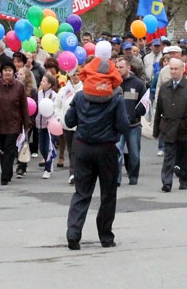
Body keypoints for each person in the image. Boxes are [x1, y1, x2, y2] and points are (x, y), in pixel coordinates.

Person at [64, 68, 129, 250]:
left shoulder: (80, 96)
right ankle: (106, 236)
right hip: (106, 148)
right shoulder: (116, 97)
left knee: (82, 192)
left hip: (83, 147)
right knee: (108, 194)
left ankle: (73, 233)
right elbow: (123, 125)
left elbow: (69, 121)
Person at [154, 58, 187, 192]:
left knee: (185, 156)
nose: (173, 72)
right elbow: (159, 109)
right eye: (171, 69)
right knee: (169, 156)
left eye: (176, 69)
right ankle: (167, 182)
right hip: (169, 127)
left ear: (183, 70)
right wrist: (156, 129)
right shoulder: (165, 87)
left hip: (185, 128)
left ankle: (184, 180)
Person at [0, 61, 31, 186]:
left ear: (13, 72)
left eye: (10, 70)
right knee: (2, 149)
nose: (7, 72)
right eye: (5, 70)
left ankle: (5, 176)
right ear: (2, 72)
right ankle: (7, 172)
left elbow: (24, 106)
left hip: (14, 123)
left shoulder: (19, 86)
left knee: (9, 149)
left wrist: (26, 123)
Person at [115, 56, 147, 186]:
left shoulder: (138, 84)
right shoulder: (114, 83)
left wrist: (134, 114)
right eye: (117, 67)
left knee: (134, 154)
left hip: (133, 125)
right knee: (117, 153)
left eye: (121, 67)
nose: (118, 70)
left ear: (128, 68)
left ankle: (133, 176)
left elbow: (145, 103)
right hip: (117, 126)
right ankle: (116, 179)